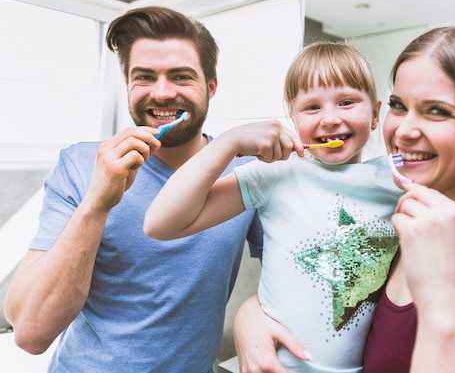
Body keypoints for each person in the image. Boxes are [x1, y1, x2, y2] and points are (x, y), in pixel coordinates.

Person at [230, 26, 455, 373]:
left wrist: (442, 300)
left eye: (437, 111)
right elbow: (334, 308)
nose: (404, 131)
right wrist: (251, 316)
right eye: (399, 105)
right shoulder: (402, 220)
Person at [3, 6, 263, 373]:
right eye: (144, 77)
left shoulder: (246, 172)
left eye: (181, 76)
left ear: (211, 86)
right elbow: (30, 333)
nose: (162, 92)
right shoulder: (81, 166)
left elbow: (292, 274)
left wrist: (251, 316)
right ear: (128, 85)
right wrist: (96, 202)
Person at [145, 41, 403, 373]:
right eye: (311, 107)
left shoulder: (397, 178)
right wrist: (228, 142)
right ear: (293, 120)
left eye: (347, 102)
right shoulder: (275, 175)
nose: (329, 118)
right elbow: (160, 223)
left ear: (375, 115)